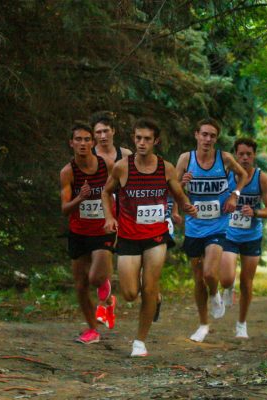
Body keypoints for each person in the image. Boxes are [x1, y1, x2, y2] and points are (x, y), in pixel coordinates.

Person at [102, 118, 197, 357]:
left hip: (156, 235)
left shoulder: (166, 167)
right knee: (130, 293)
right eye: (138, 138)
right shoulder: (122, 167)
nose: (141, 143)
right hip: (128, 236)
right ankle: (156, 298)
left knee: (149, 286)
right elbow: (106, 192)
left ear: (156, 141)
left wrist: (186, 206)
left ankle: (139, 342)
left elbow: (178, 193)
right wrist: (109, 218)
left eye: (146, 139)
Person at [175, 118, 248, 343]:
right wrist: (182, 184)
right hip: (194, 226)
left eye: (212, 136)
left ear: (216, 139)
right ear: (196, 135)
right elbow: (173, 186)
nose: (208, 139)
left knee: (208, 273)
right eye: (204, 134)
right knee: (198, 279)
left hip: (218, 224)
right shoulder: (186, 159)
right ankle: (203, 324)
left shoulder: (224, 158)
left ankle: (215, 293)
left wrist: (235, 195)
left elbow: (243, 176)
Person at [59, 123, 117, 344]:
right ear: (71, 143)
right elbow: (64, 209)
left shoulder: (107, 165)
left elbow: (121, 191)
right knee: (81, 285)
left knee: (96, 278)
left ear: (93, 143)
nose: (82, 144)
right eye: (78, 140)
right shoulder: (67, 172)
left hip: (103, 229)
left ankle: (106, 292)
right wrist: (79, 198)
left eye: (86, 139)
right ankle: (93, 329)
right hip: (79, 232)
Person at [219, 138, 267, 338]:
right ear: (235, 155)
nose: (244, 158)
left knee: (247, 282)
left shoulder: (261, 178)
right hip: (229, 233)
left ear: (254, 156)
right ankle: (227, 287)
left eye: (248, 154)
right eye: (241, 154)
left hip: (251, 235)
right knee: (226, 278)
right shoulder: (226, 175)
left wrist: (255, 212)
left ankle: (241, 323)